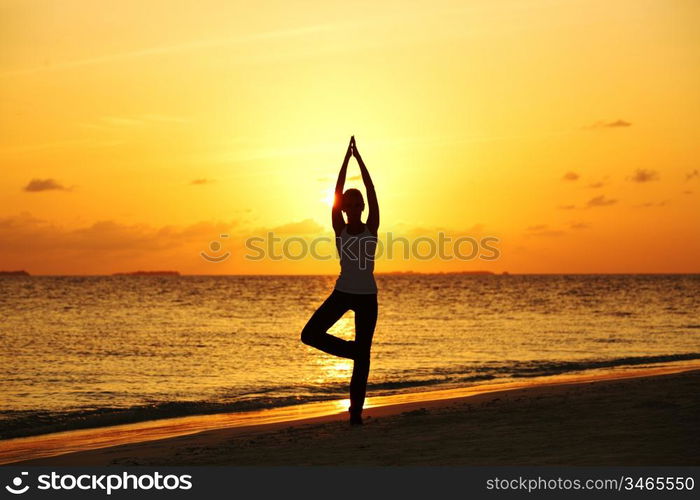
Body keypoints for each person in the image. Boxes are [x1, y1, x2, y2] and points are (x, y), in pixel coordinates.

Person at [300, 136, 379, 426]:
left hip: (367, 296)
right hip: (343, 292)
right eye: (349, 202)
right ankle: (354, 351)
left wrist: (359, 159)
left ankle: (355, 414)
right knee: (309, 335)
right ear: (344, 208)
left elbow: (371, 190)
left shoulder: (372, 226)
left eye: (357, 201)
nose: (355, 204)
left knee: (363, 360)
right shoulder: (339, 228)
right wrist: (345, 161)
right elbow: (336, 191)